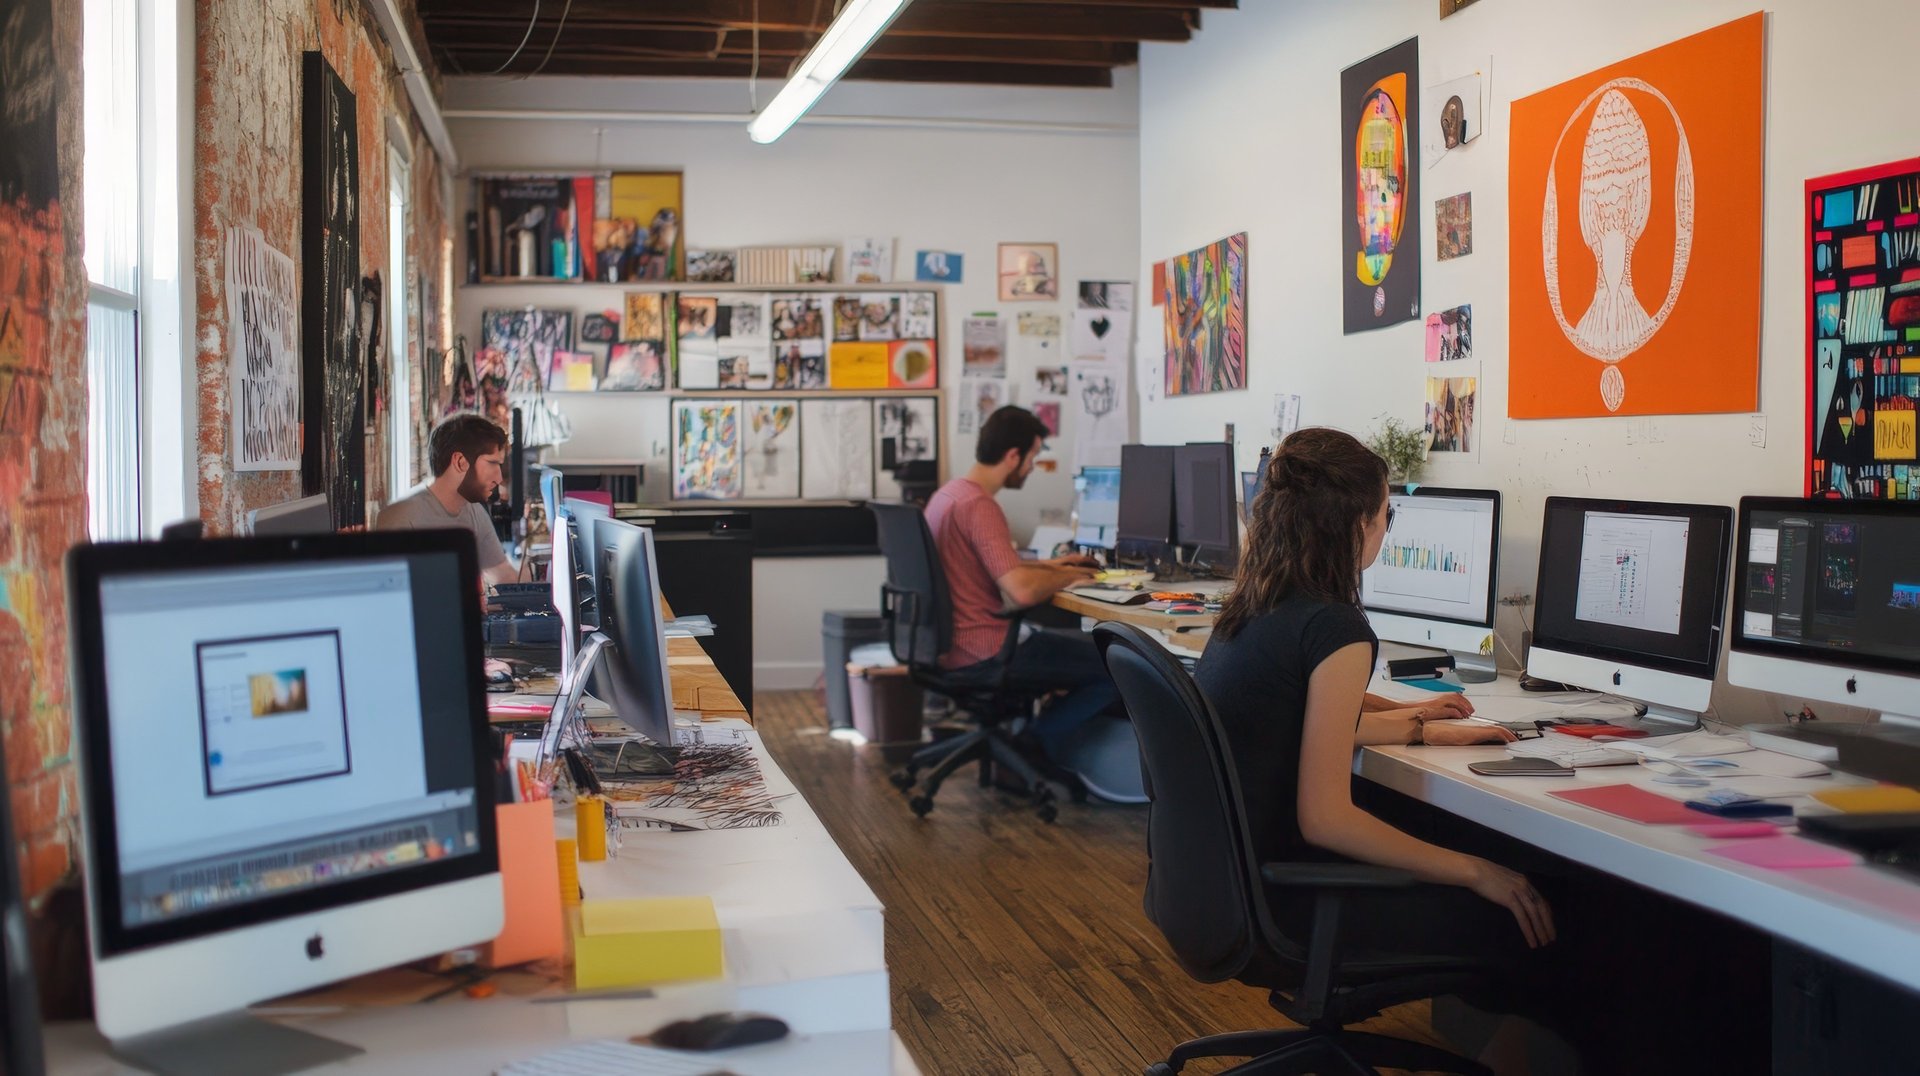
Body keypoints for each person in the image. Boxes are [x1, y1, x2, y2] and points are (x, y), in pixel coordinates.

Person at [923, 405, 1122, 768]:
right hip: (985, 648)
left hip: (949, 646)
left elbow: (989, 566)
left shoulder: (949, 495)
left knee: (1085, 652)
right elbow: (1022, 592)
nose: (1031, 467)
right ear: (1012, 456)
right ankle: (1032, 744)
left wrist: (1051, 565)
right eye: (1031, 457)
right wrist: (1073, 575)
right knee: (1119, 665)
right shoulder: (978, 506)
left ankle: (1027, 745)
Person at [376, 413, 518, 586]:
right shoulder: (402, 517)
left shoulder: (473, 510)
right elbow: (393, 596)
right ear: (459, 462)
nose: (499, 478)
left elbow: (501, 574)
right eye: (492, 463)